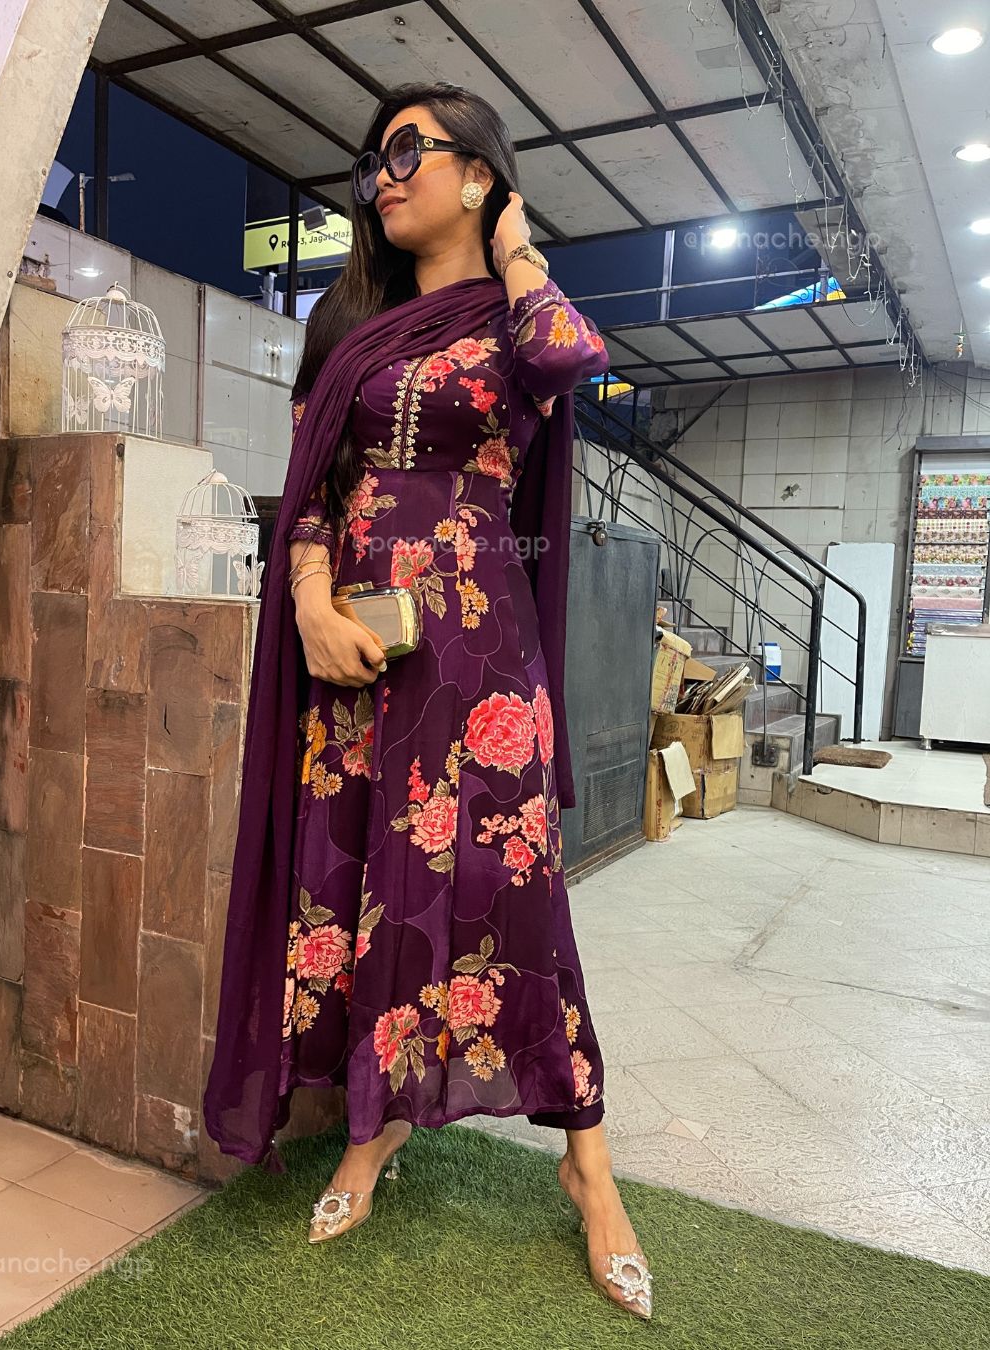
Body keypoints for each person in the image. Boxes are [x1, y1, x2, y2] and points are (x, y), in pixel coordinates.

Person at [203, 80, 652, 1320]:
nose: (384, 176)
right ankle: (372, 1131)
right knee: (359, 887)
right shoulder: (347, 323)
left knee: (514, 893)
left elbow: (572, 358)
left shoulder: (516, 317)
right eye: (374, 161)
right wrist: (307, 601)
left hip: (481, 656)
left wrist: (515, 250)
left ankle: (588, 1160)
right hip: (354, 647)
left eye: (409, 151)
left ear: (479, 172)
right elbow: (313, 482)